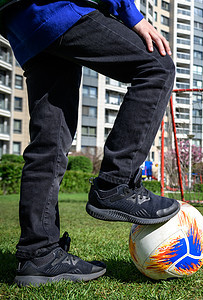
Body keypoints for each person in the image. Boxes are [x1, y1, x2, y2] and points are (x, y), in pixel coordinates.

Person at [0, 0, 181, 287]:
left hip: (22, 25)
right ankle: (115, 184)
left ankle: (39, 255)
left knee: (48, 143)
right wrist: (131, 15)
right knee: (156, 66)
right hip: (57, 8)